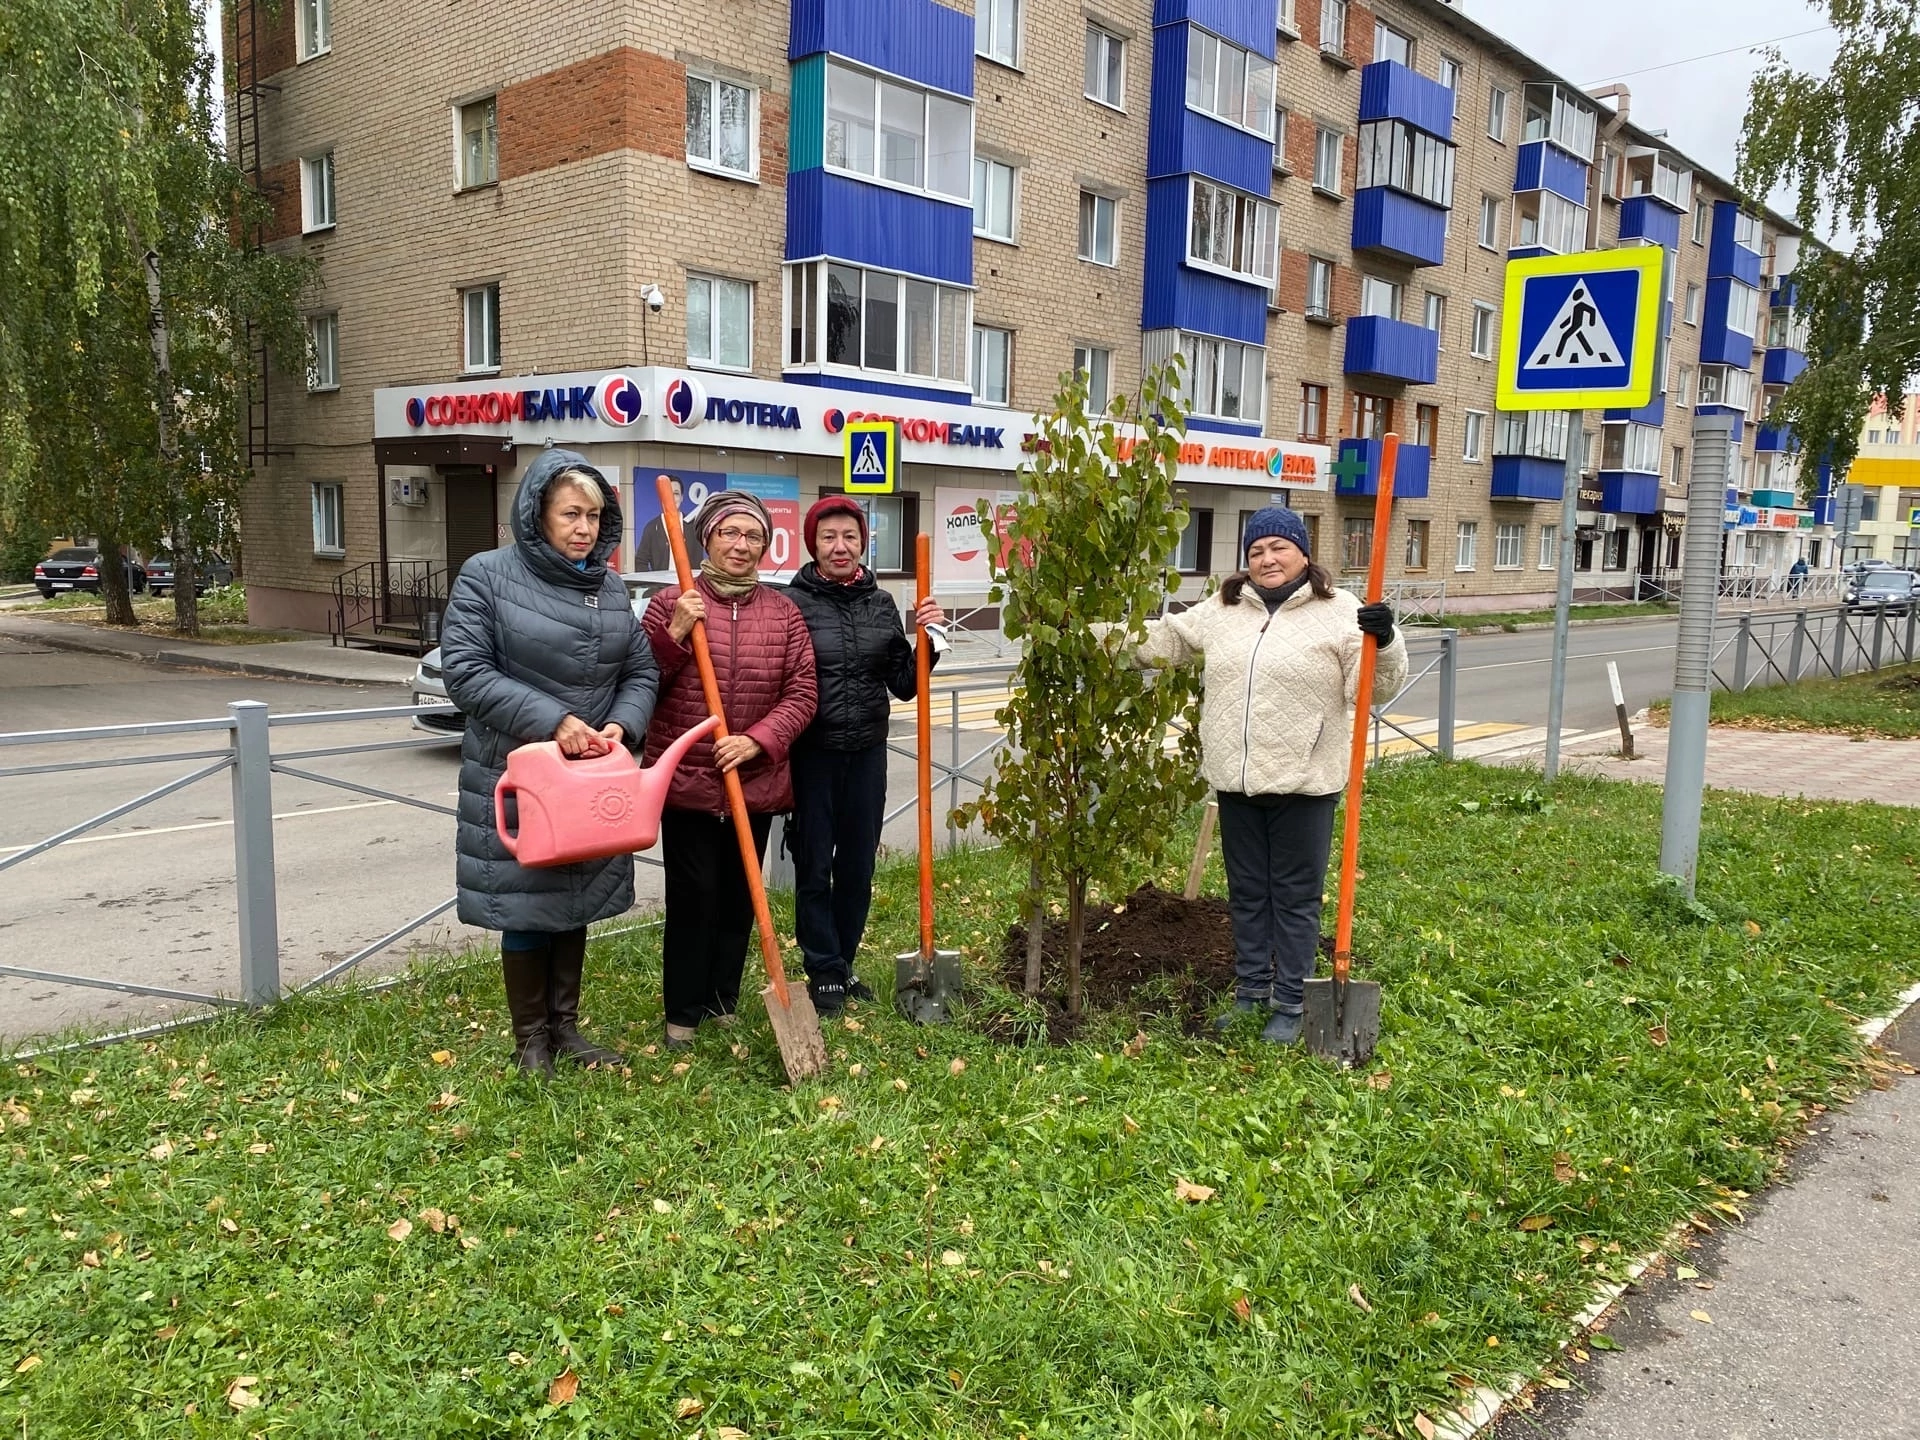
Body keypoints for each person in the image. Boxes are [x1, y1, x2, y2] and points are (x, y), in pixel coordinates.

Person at [1121, 507, 1406, 1045]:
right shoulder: (1225, 608)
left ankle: (1293, 1000)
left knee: (1295, 897)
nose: (1267, 559)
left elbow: (1377, 688)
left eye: (1278, 547)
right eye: (1255, 551)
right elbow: (1165, 640)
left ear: (1302, 553)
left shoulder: (1342, 611)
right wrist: (1079, 632)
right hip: (1237, 779)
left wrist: (1385, 639)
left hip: (1304, 783)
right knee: (1247, 893)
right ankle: (1252, 992)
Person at [440, 450, 659, 1075]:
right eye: (570, 513)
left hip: (590, 777)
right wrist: (552, 721)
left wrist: (622, 723)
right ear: (538, 513)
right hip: (520, 774)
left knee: (575, 896)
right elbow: (465, 670)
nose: (584, 527)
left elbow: (641, 668)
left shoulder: (609, 587)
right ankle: (531, 1038)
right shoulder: (487, 574)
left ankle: (567, 1030)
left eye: (593, 515)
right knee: (527, 899)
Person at [641, 491, 818, 1049]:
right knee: (693, 898)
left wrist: (757, 741)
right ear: (709, 538)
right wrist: (673, 634)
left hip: (752, 779)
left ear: (766, 546)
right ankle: (682, 1018)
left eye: (753, 536)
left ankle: (723, 1002)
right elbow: (640, 683)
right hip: (690, 780)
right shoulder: (672, 601)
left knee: (741, 897)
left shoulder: (783, 612)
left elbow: (803, 692)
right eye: (730, 533)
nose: (741, 544)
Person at [783, 497, 946, 1013]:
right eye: (829, 536)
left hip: (868, 754)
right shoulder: (793, 603)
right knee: (814, 866)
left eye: (850, 537)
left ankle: (844, 963)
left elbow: (903, 685)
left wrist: (930, 642)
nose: (840, 546)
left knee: (856, 866)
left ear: (863, 543)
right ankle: (823, 969)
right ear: (813, 544)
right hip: (813, 754)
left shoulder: (880, 604)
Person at [635, 474, 704, 572]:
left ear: (682, 497)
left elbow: (698, 561)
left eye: (676, 493)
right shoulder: (652, 527)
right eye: (667, 493)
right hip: (662, 585)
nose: (671, 498)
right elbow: (641, 560)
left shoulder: (693, 525)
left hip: (689, 585)